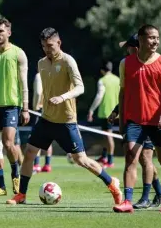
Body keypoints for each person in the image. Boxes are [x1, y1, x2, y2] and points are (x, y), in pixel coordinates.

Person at [6, 27, 122, 205]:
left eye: (50, 45)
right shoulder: (41, 63)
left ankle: (111, 183)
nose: (47, 49)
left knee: (80, 160)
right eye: (44, 46)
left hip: (66, 121)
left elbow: (80, 87)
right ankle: (21, 194)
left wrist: (62, 97)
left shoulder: (68, 61)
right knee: (29, 153)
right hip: (46, 119)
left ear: (59, 43)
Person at [109, 32, 161, 210]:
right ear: (141, 41)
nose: (156, 40)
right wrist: (121, 117)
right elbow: (126, 93)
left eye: (157, 37)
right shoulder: (126, 64)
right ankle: (127, 201)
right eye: (152, 38)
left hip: (160, 122)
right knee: (131, 157)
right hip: (135, 120)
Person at [0, 18, 30, 195]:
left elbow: (23, 83)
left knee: (9, 142)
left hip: (11, 106)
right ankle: (2, 186)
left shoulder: (18, 54)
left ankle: (15, 174)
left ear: (9, 33)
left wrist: (25, 108)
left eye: (1, 31)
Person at [87, 61, 120, 168]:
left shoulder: (102, 80)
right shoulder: (117, 79)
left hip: (107, 112)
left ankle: (110, 161)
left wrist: (91, 110)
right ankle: (104, 156)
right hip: (117, 112)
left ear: (102, 71)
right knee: (106, 135)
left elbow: (99, 96)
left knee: (108, 135)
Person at [32, 72, 53, 173]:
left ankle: (36, 164)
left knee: (37, 138)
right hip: (51, 109)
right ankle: (47, 164)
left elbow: (38, 92)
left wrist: (35, 106)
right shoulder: (52, 74)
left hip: (40, 110)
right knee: (48, 136)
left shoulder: (39, 75)